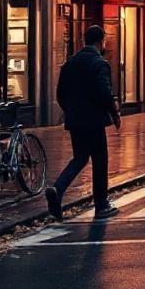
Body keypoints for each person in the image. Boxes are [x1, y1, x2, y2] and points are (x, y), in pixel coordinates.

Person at [46, 25, 121, 220]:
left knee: (79, 158)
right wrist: (114, 114)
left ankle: (58, 189)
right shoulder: (99, 64)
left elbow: (60, 94)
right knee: (100, 160)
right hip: (94, 120)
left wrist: (71, 111)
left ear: (84, 41)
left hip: (75, 120)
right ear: (101, 41)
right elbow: (104, 93)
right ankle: (101, 204)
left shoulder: (70, 63)